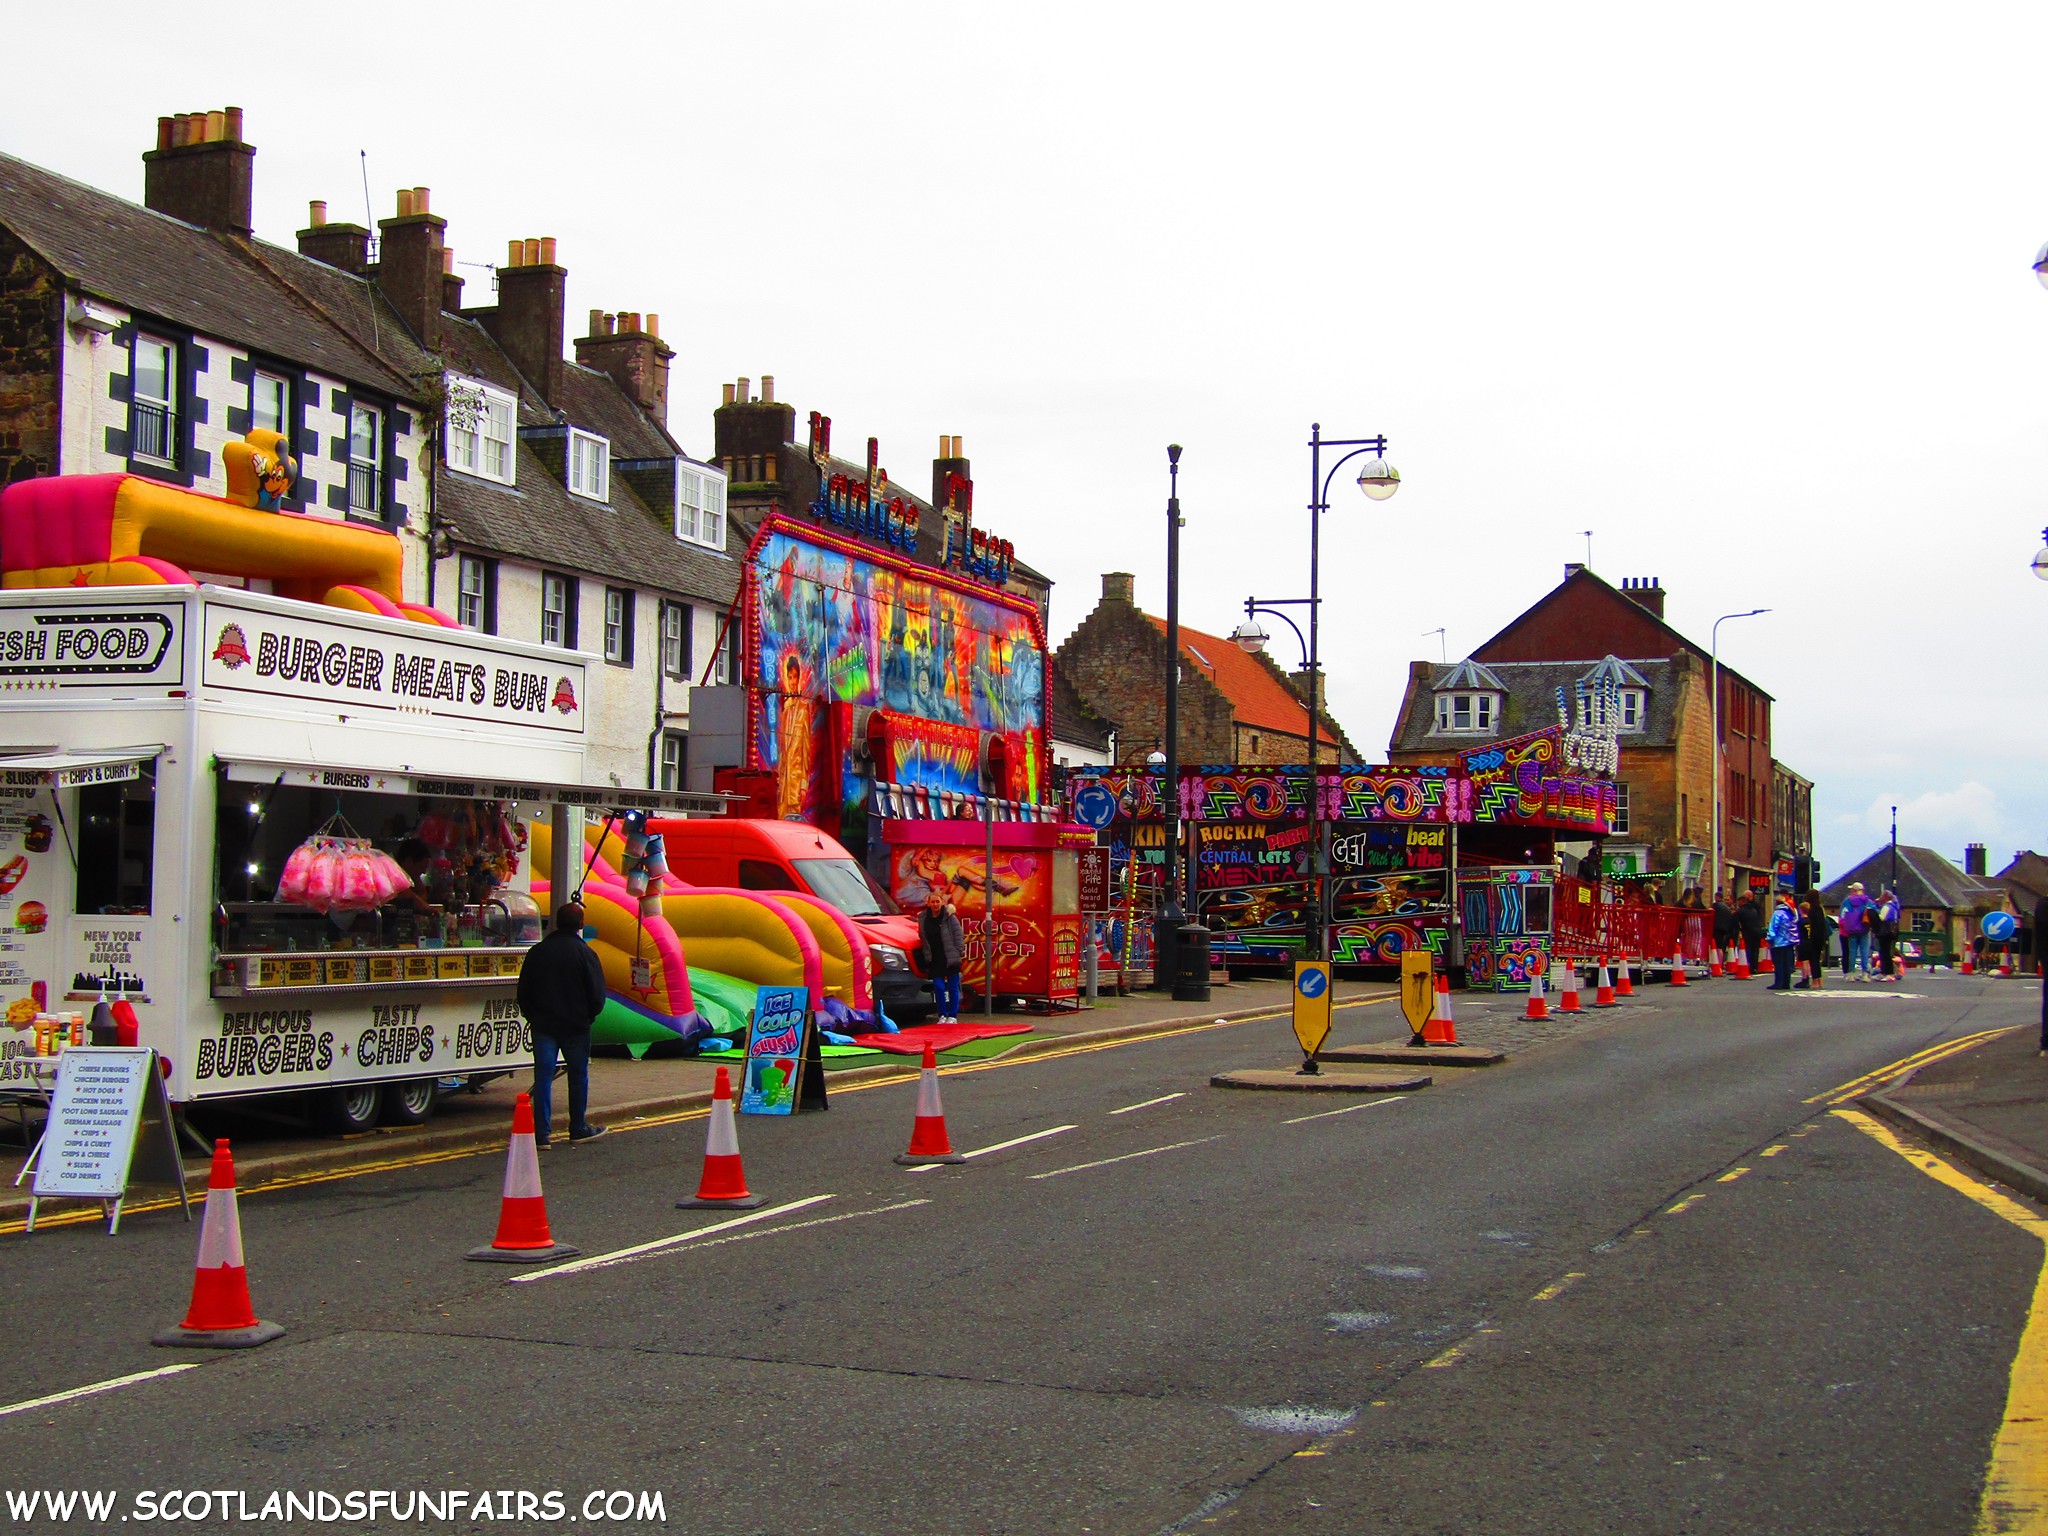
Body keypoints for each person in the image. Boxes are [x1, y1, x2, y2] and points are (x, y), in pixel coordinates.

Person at [515, 901, 607, 1147]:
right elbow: (597, 994)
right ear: (581, 925)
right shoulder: (586, 954)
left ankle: (542, 1134)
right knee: (578, 1076)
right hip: (576, 1025)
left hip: (544, 1024)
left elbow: (523, 990)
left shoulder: (538, 952)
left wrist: (531, 1015)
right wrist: (589, 1016)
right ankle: (577, 1127)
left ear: (556, 923)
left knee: (543, 1077)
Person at [919, 889, 966, 1024]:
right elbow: (922, 937)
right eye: (932, 902)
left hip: (950, 956)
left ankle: (953, 1015)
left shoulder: (949, 916)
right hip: (935, 958)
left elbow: (958, 935)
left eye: (937, 901)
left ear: (942, 902)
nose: (935, 904)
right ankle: (942, 1014)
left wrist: (959, 951)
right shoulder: (923, 918)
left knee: (953, 987)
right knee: (939, 987)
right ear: (928, 903)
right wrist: (926, 954)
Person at [1837, 881, 1874, 980]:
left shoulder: (1847, 901)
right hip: (1864, 929)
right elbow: (1874, 913)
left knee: (1852, 951)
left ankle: (1851, 973)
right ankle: (1865, 973)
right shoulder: (1867, 901)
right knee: (1864, 951)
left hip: (1851, 929)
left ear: (1853, 890)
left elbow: (1842, 916)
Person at [1766, 891, 1801, 991]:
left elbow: (1773, 927)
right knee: (1787, 964)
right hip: (1789, 942)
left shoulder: (1778, 913)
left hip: (1779, 943)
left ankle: (1778, 983)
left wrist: (1770, 939)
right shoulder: (1791, 913)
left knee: (1779, 963)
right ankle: (1786, 983)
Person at [1796, 888, 1831, 990]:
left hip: (1813, 938)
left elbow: (1813, 925)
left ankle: (1815, 981)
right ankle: (1819, 980)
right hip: (1820, 938)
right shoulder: (1820, 909)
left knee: (1813, 960)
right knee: (1817, 960)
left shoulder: (1811, 909)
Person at [1873, 887, 1902, 982]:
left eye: (1882, 896)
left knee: (1885, 953)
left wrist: (1875, 910)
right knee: (1885, 952)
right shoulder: (1894, 906)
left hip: (1885, 932)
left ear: (1886, 897)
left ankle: (1888, 973)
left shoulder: (1887, 906)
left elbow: (1881, 918)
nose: (1880, 898)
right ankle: (1884, 972)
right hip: (1892, 931)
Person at [1736, 891, 1765, 973]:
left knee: (1748, 949)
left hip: (1748, 931)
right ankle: (1754, 966)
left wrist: (1739, 929)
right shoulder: (1754, 909)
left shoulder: (1742, 910)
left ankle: (1749, 966)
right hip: (1756, 931)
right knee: (1755, 949)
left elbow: (1735, 921)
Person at [1712, 891, 1739, 962]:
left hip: (1731, 930)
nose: (1726, 901)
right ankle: (1725, 962)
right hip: (1726, 929)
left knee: (1728, 947)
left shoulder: (1733, 909)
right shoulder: (1726, 908)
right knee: (1723, 946)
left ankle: (1727, 962)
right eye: (1726, 900)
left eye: (1728, 900)